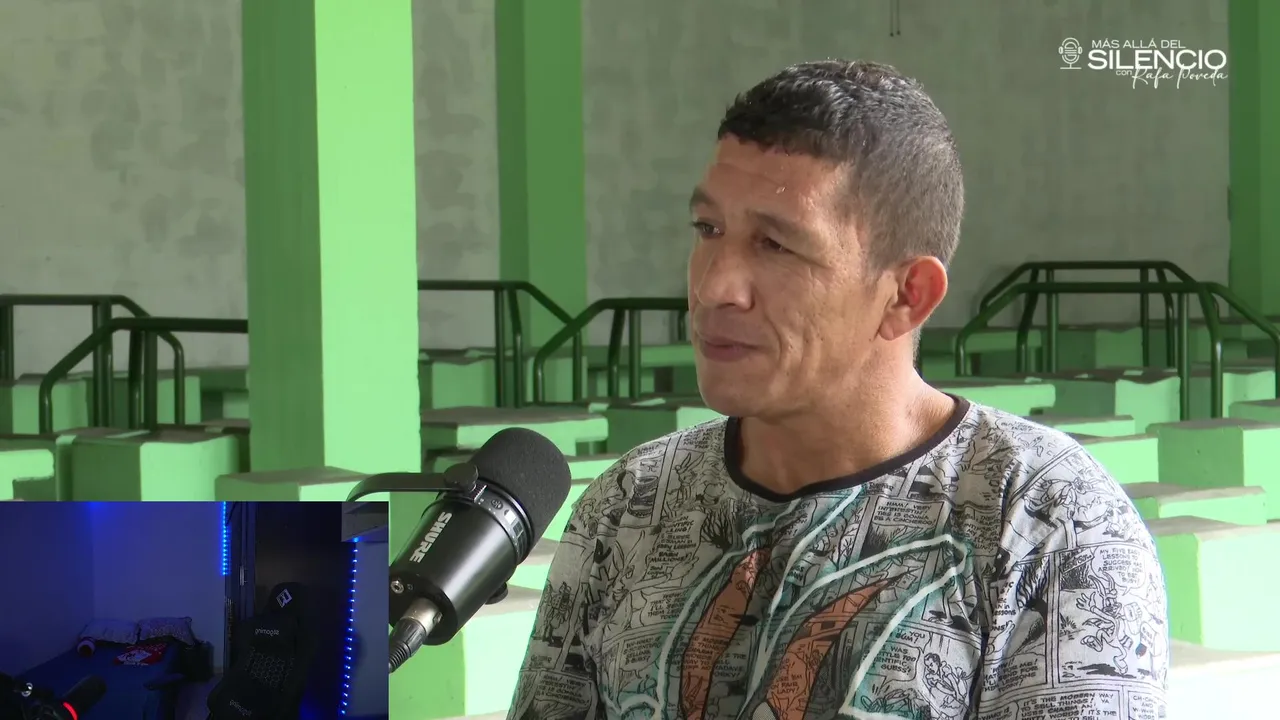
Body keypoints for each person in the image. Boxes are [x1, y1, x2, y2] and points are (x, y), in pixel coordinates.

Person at [507, 60, 1169, 720]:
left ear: (907, 296)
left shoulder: (1048, 521)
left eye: (774, 245)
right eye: (709, 230)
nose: (714, 287)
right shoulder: (628, 504)